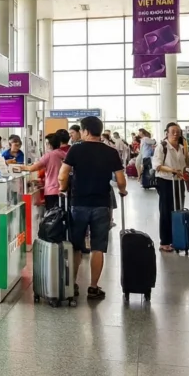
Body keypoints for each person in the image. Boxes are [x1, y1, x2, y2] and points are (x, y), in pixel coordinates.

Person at [58, 116, 126, 301]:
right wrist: (123, 191)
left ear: (86, 131)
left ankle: (72, 284)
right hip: (102, 205)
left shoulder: (76, 149)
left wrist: (63, 189)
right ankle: (94, 287)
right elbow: (120, 180)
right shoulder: (111, 152)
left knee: (76, 246)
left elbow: (63, 175)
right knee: (98, 248)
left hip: (78, 203)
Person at [152, 122, 189, 253]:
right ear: (166, 133)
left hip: (178, 181)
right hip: (165, 181)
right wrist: (171, 170)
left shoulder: (181, 147)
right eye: (172, 131)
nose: (175, 134)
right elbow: (157, 165)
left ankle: (176, 238)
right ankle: (165, 242)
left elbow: (184, 166)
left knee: (178, 210)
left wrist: (185, 178)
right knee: (166, 211)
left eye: (178, 132)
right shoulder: (161, 147)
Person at [19, 133, 65, 209]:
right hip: (63, 190)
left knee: (52, 216)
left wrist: (21, 167)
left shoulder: (49, 155)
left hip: (52, 190)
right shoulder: (63, 154)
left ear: (49, 144)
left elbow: (32, 168)